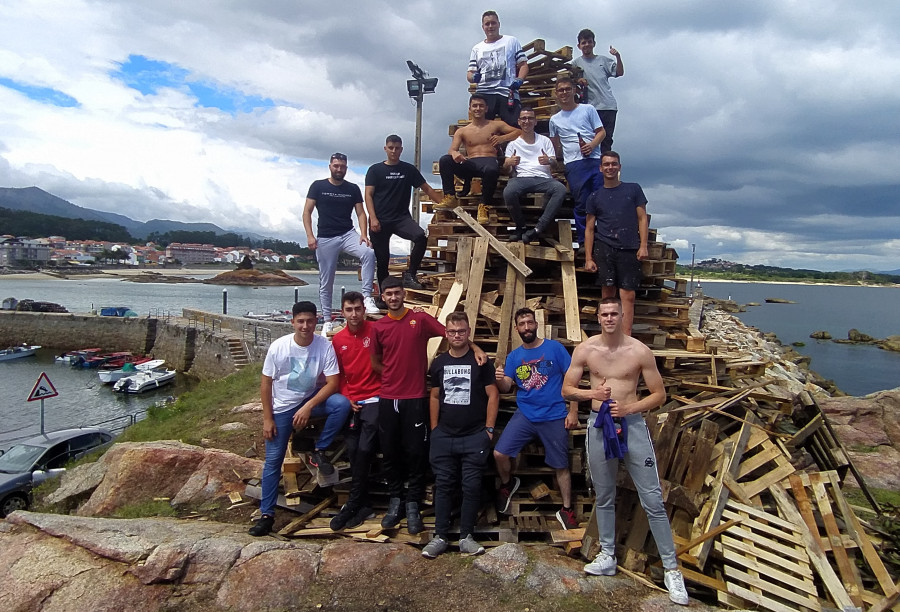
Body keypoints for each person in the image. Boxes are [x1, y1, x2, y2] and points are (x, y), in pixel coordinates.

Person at [561, 297, 688, 606]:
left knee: (652, 498)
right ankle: (607, 555)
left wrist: (629, 407)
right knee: (603, 495)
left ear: (621, 316)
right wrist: (593, 393)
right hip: (598, 424)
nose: (609, 318)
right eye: (604, 314)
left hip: (631, 424)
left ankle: (672, 568)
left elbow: (659, 394)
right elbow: (566, 389)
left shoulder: (639, 351)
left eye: (614, 313)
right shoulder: (586, 350)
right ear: (598, 318)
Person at [371, 276, 487, 534]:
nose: (393, 297)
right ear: (382, 296)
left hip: (415, 398)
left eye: (397, 293)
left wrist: (476, 347)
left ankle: (412, 503)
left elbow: (452, 335)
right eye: (388, 294)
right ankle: (395, 501)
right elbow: (375, 363)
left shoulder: (419, 320)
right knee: (390, 452)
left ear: (404, 294)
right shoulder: (378, 327)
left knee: (415, 453)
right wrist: (392, 375)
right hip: (389, 398)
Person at [249, 301, 351, 537]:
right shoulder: (279, 347)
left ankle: (321, 449)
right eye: (300, 321)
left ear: (316, 321)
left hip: (310, 400)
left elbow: (333, 383)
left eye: (310, 321)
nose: (305, 326)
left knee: (341, 404)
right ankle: (267, 514)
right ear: (293, 322)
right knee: (273, 461)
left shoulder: (324, 346)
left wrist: (308, 406)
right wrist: (268, 418)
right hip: (282, 407)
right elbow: (266, 384)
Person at [493, 308, 579, 530]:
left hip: (554, 414)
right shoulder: (514, 357)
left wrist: (573, 411)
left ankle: (567, 509)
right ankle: (507, 483)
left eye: (529, 323)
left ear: (536, 324)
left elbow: (573, 382)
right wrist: (500, 378)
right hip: (526, 414)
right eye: (522, 324)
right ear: (516, 329)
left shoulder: (555, 349)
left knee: (561, 465)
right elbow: (505, 387)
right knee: (499, 453)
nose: (527, 328)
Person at [422, 312, 498, 558]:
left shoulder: (481, 362)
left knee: (471, 485)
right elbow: (434, 396)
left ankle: (467, 535)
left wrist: (488, 429)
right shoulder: (439, 363)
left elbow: (493, 395)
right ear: (446, 333)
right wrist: (434, 429)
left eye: (462, 331)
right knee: (443, 485)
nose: (457, 336)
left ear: (468, 333)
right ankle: (440, 536)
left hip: (474, 435)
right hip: (444, 435)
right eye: (452, 332)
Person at [303, 153, 379, 335]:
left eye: (342, 166)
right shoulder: (318, 186)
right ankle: (327, 320)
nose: (339, 169)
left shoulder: (352, 188)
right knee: (326, 280)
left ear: (346, 168)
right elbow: (307, 212)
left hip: (347, 234)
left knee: (368, 252)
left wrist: (363, 234)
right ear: (330, 166)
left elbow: (361, 213)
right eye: (336, 166)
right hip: (326, 237)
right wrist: (310, 236)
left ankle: (367, 298)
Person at [365, 135, 444, 292]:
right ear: (385, 149)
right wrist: (373, 218)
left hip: (401, 218)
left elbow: (427, 188)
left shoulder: (408, 169)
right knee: (382, 260)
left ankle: (410, 275)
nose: (394, 151)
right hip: (380, 220)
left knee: (420, 236)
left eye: (397, 148)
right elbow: (368, 195)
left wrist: (444, 206)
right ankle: (383, 294)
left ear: (401, 149)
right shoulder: (375, 170)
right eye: (391, 148)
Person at [329, 291, 381, 530]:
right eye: (349, 310)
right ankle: (363, 503)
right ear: (343, 312)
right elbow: (337, 374)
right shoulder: (338, 340)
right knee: (352, 447)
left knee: (366, 446)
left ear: (364, 310)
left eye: (358, 309)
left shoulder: (376, 331)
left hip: (376, 397)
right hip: (352, 399)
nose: (354, 314)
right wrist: (346, 397)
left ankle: (353, 502)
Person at [584, 151, 649, 336]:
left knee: (628, 295)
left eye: (614, 164)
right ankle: (609, 336)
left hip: (629, 247)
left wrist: (643, 245)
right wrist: (588, 258)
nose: (610, 167)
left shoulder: (633, 189)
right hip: (604, 247)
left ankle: (626, 338)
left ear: (619, 167)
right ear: (601, 168)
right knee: (608, 295)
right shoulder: (595, 197)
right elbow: (589, 229)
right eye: (606, 164)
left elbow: (642, 218)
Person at [437, 94, 521, 225]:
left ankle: (484, 205)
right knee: (445, 160)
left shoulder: (496, 125)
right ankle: (450, 196)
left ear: (486, 108)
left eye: (481, 106)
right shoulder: (462, 131)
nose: (478, 108)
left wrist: (502, 138)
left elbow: (518, 132)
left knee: (492, 169)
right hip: (471, 163)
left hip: (489, 161)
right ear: (469, 109)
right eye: (474, 106)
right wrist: (455, 154)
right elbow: (452, 149)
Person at [548, 77, 606, 247]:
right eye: (561, 90)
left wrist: (592, 145)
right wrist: (553, 167)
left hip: (595, 160)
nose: (564, 93)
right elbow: (555, 146)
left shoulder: (588, 109)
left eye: (567, 89)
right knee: (582, 204)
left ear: (575, 91)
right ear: (556, 94)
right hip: (574, 164)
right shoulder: (555, 119)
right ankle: (583, 242)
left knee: (601, 201)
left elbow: (601, 132)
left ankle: (603, 241)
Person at [501, 106, 566, 243]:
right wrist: (508, 163)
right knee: (508, 191)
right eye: (524, 118)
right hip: (521, 178)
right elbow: (507, 171)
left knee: (560, 189)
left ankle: (538, 229)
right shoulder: (513, 144)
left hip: (543, 178)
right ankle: (521, 226)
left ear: (535, 121)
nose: (527, 121)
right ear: (519, 122)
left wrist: (548, 160)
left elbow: (555, 164)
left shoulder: (545, 141)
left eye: (530, 118)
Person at [467, 10, 528, 127]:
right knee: (481, 129)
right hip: (484, 93)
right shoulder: (477, 48)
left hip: (506, 91)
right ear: (483, 27)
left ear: (499, 24)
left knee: (515, 125)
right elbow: (469, 73)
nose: (490, 26)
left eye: (493, 23)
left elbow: (523, 65)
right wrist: (473, 77)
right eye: (487, 24)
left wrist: (520, 79)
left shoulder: (511, 41)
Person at [571, 29, 624, 153]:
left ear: (594, 43)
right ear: (579, 46)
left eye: (589, 42)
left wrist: (618, 56)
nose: (587, 45)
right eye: (584, 43)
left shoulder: (603, 60)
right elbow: (568, 79)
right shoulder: (575, 64)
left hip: (607, 106)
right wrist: (578, 79)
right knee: (590, 138)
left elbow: (619, 72)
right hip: (590, 107)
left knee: (606, 140)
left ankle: (605, 167)